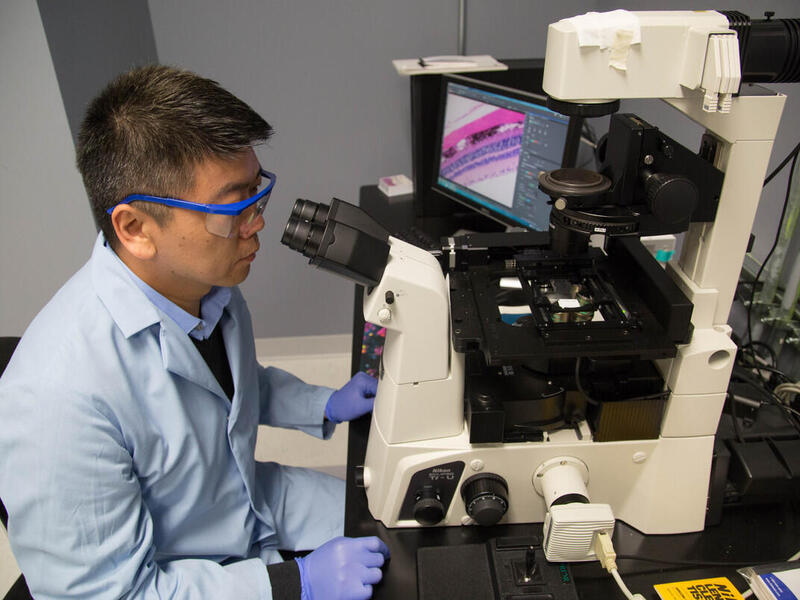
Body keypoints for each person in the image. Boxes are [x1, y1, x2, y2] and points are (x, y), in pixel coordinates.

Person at [0, 65, 389, 600]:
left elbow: (227, 386)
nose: (256, 222)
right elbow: (104, 595)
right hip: (185, 570)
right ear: (135, 229)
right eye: (232, 207)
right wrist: (289, 583)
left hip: (246, 505)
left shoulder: (202, 285)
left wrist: (322, 404)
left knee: (396, 524)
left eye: (257, 191)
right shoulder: (57, 397)